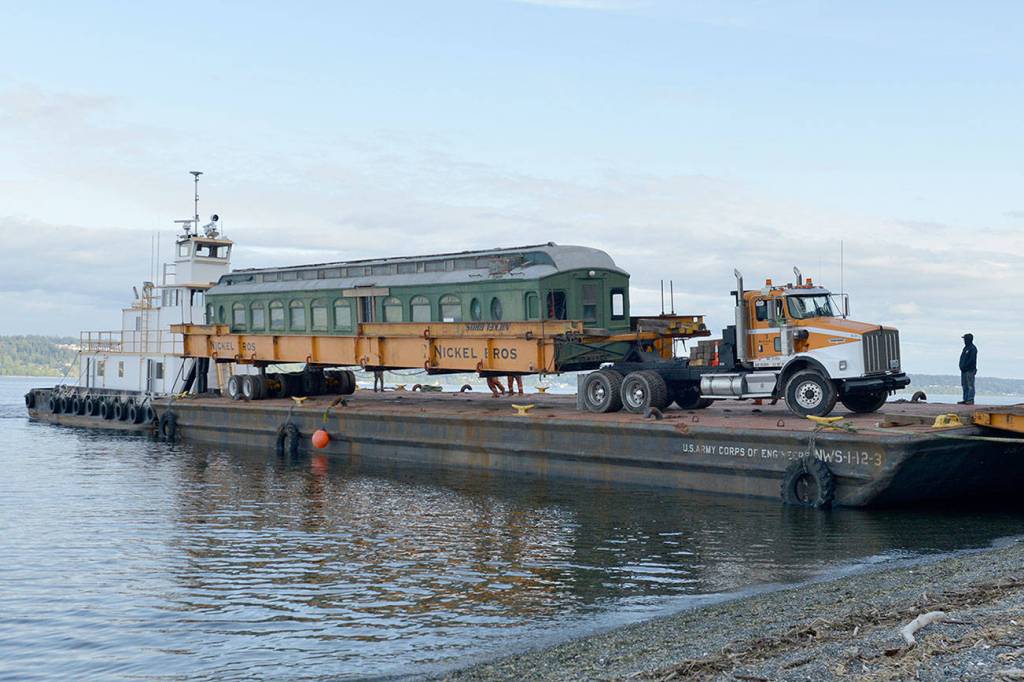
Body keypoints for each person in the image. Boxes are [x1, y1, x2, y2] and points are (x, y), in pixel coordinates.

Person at [958, 333, 977, 405]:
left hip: (970, 370)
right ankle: (965, 399)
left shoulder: (973, 348)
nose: (964, 341)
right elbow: (962, 358)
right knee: (964, 385)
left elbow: (972, 360)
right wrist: (961, 366)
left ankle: (970, 399)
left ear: (969, 339)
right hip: (963, 370)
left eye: (965, 339)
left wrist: (965, 367)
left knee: (970, 385)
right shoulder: (965, 348)